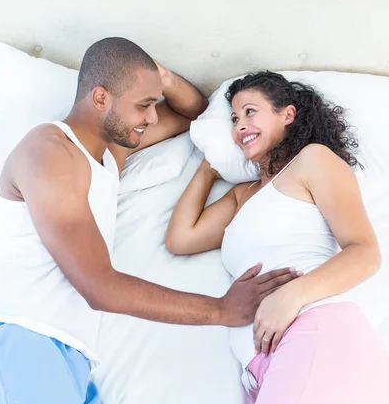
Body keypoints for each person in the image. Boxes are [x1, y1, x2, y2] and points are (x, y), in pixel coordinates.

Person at [0, 39, 297, 404]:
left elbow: (193, 113)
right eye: (143, 105)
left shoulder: (108, 155)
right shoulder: (50, 152)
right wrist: (220, 309)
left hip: (72, 356)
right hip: (22, 338)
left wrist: (158, 78)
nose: (151, 116)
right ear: (101, 98)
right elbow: (98, 286)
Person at [166, 71, 389, 404]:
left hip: (315, 330)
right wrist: (208, 167)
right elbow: (181, 239)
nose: (239, 125)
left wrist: (290, 296)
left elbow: (365, 252)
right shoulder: (242, 195)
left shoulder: (312, 161)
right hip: (261, 365)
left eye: (250, 112)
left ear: (287, 114)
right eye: (234, 119)